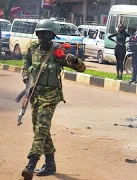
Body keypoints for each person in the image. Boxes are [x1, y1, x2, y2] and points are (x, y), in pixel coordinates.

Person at [21, 19, 86, 180]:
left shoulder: (58, 52)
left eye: (46, 33)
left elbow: (82, 68)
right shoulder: (32, 48)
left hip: (51, 97)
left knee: (41, 129)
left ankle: (31, 164)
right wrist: (25, 75)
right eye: (40, 33)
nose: (42, 36)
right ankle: (50, 163)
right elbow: (26, 63)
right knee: (41, 129)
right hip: (35, 95)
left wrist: (74, 60)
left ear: (52, 35)